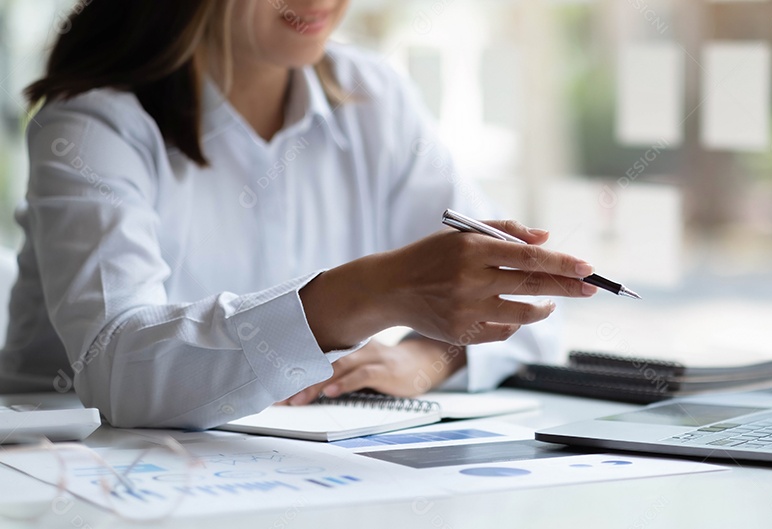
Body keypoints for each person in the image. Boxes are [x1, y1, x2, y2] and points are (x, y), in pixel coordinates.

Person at [0, 0, 596, 429]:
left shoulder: (373, 98)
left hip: (296, 470)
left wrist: (424, 358)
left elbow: (529, 307)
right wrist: (369, 293)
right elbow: (117, 371)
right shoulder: (94, 125)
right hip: (73, 471)